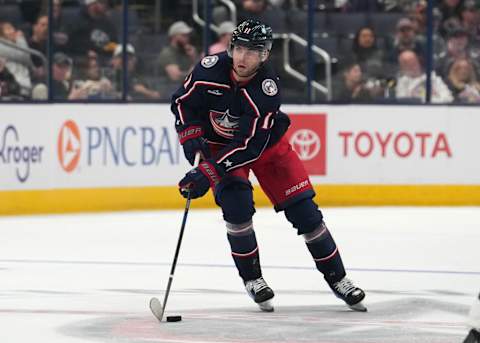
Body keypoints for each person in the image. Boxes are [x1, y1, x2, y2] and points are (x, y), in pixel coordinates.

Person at [171, 19, 366, 313]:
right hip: (220, 147)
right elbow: (182, 103)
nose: (242, 57)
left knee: (306, 214)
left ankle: (339, 279)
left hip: (268, 148)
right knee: (236, 208)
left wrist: (207, 172)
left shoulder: (267, 89)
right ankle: (254, 280)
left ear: (264, 55)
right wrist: (191, 139)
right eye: (238, 49)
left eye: (252, 51)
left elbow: (250, 146)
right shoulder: (208, 69)